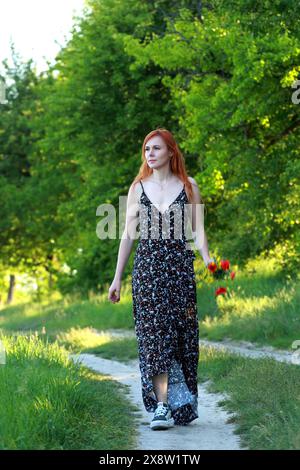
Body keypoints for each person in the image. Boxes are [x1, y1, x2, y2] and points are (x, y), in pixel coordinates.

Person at [108, 128, 214, 431]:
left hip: (179, 270)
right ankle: (162, 407)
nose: (149, 154)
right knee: (154, 339)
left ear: (170, 152)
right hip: (148, 272)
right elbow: (128, 234)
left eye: (155, 149)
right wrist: (117, 278)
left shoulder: (189, 186)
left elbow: (199, 229)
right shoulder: (138, 188)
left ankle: (181, 401)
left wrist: (207, 258)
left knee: (180, 338)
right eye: (146, 150)